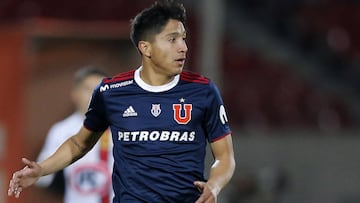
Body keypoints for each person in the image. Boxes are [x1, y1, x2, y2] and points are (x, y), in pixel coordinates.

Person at [8, 0, 235, 202]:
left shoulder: (203, 91)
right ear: (145, 48)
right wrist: (42, 169)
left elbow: (225, 158)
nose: (183, 47)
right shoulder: (111, 92)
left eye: (184, 38)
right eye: (172, 39)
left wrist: (214, 186)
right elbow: (79, 143)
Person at [36, 67, 114, 203]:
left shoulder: (122, 126)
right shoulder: (61, 130)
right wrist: (40, 170)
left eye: (101, 89)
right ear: (75, 94)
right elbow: (42, 178)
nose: (95, 95)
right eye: (88, 89)